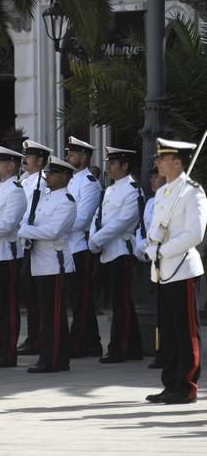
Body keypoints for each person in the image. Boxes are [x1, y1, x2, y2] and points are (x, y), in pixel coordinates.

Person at [145, 138, 207, 405]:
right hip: (162, 270)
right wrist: (152, 243)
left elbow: (195, 234)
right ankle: (170, 383)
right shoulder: (163, 192)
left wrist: (163, 250)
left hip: (181, 268)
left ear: (178, 162)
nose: (157, 162)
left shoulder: (193, 191)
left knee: (185, 330)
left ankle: (186, 385)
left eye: (162, 158)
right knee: (168, 330)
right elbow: (154, 230)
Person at [18, 156, 77, 373]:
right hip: (39, 261)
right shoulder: (44, 197)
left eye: (52, 173)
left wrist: (25, 231)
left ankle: (51, 359)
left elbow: (52, 231)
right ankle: (56, 357)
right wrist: (26, 230)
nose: (48, 177)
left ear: (64, 176)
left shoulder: (67, 201)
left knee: (53, 314)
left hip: (54, 262)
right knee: (46, 313)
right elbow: (28, 219)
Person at [88, 146, 143, 363]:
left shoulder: (132, 189)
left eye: (112, 163)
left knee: (122, 302)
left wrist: (96, 239)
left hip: (121, 250)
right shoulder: (110, 189)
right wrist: (93, 237)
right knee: (118, 302)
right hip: (106, 251)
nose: (108, 167)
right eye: (108, 163)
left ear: (125, 165)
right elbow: (97, 216)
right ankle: (133, 347)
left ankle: (119, 348)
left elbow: (122, 223)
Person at [0, 146, 27, 368]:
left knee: (7, 307)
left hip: (6, 254)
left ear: (11, 165)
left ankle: (7, 352)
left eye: (0, 162)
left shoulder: (15, 191)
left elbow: (7, 225)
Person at [65, 136, 104, 359]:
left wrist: (58, 226)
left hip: (81, 246)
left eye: (73, 153)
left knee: (82, 298)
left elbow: (82, 219)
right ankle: (91, 342)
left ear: (84, 156)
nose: (69, 156)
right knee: (77, 298)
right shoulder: (71, 180)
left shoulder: (89, 182)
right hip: (68, 247)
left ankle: (79, 342)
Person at [16, 140, 52, 356]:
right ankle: (33, 336)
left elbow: (32, 211)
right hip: (23, 241)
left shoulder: (41, 182)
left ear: (39, 161)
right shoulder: (26, 180)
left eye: (29, 156)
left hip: (31, 241)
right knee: (29, 295)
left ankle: (37, 337)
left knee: (36, 296)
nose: (24, 160)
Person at [134, 166, 166, 369]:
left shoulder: (171, 200)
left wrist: (150, 249)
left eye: (157, 176)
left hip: (165, 259)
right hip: (149, 258)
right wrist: (140, 247)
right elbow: (142, 229)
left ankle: (167, 350)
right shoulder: (150, 202)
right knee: (159, 308)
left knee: (167, 309)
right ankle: (160, 351)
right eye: (152, 177)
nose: (153, 180)